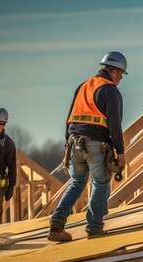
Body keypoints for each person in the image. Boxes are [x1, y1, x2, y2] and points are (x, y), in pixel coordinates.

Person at [47, 51, 127, 242]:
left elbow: (69, 119)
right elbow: (115, 124)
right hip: (96, 143)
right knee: (100, 183)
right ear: (114, 71)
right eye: (121, 75)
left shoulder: (83, 86)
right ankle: (94, 228)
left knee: (77, 183)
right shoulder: (110, 90)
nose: (121, 79)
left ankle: (56, 225)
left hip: (74, 142)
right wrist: (120, 151)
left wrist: (68, 142)